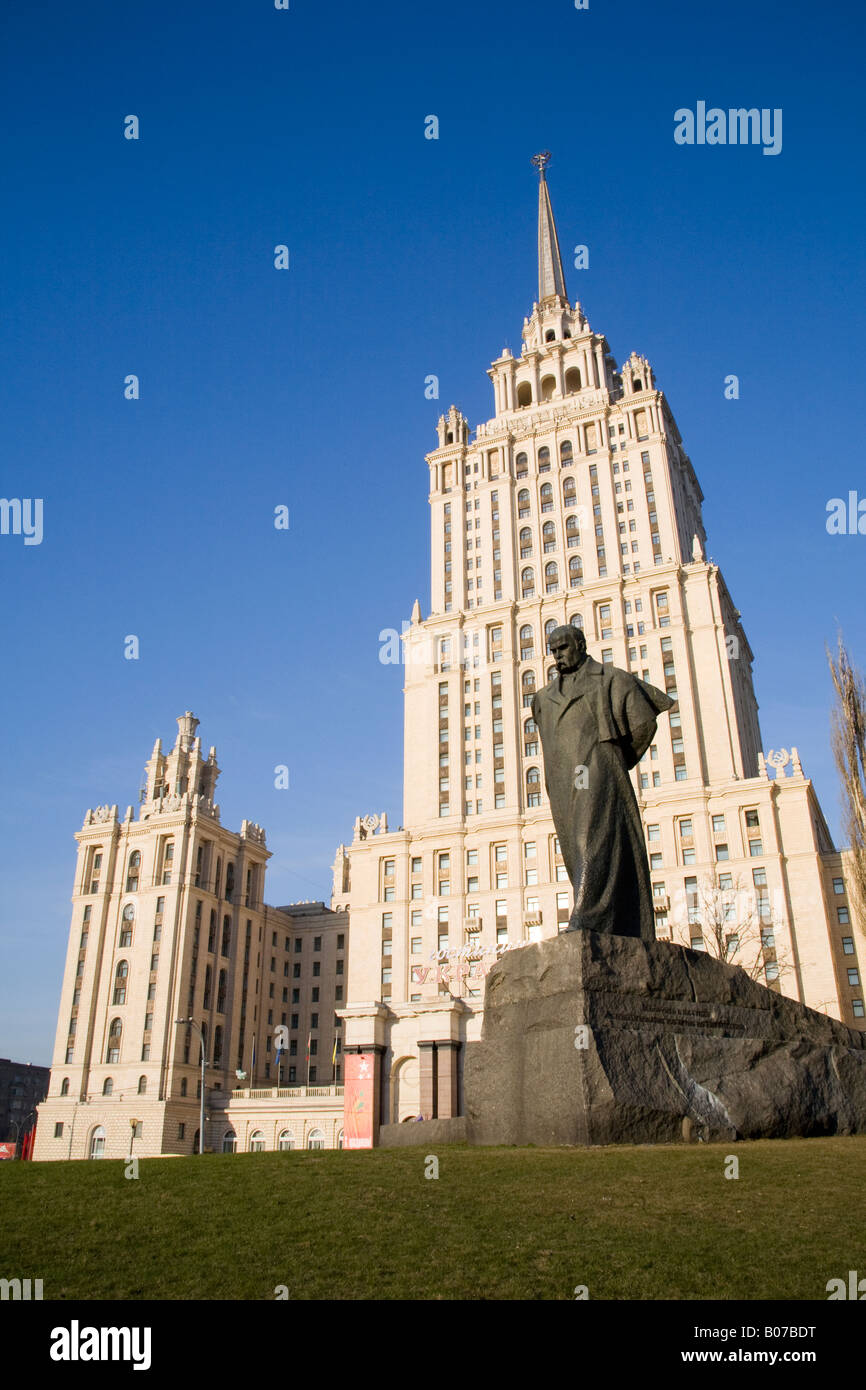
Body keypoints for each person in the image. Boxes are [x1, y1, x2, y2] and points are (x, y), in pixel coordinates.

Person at [532, 624, 674, 940]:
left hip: (598, 771)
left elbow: (643, 724)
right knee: (575, 852)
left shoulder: (611, 679)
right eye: (553, 650)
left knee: (592, 843)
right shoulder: (542, 698)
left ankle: (587, 920)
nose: (557, 655)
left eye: (563, 648)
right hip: (561, 784)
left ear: (581, 645)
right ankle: (611, 925)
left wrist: (612, 762)